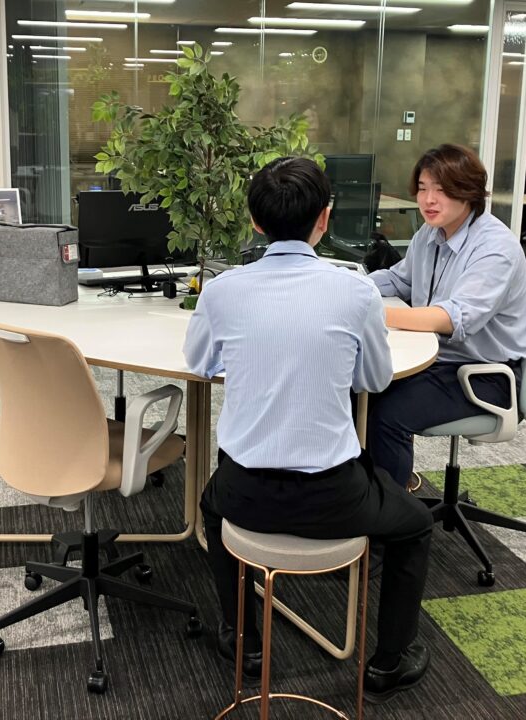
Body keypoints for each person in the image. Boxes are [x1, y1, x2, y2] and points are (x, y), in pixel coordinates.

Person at [184, 157, 434, 703]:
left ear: (255, 222)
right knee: (416, 524)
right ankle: (388, 663)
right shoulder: (356, 291)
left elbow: (199, 363)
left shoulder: (222, 290)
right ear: (325, 218)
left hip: (245, 492)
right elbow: (375, 379)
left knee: (211, 504)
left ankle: (244, 642)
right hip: (334, 497)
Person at [367, 144, 526, 490]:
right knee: (359, 387)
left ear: (469, 192)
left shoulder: (494, 247)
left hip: (483, 374)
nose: (428, 200)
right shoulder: (430, 233)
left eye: (441, 190)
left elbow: (452, 318)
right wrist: (348, 287)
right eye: (423, 188)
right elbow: (399, 279)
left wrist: (375, 312)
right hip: (439, 359)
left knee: (385, 413)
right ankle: (369, 488)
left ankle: (391, 510)